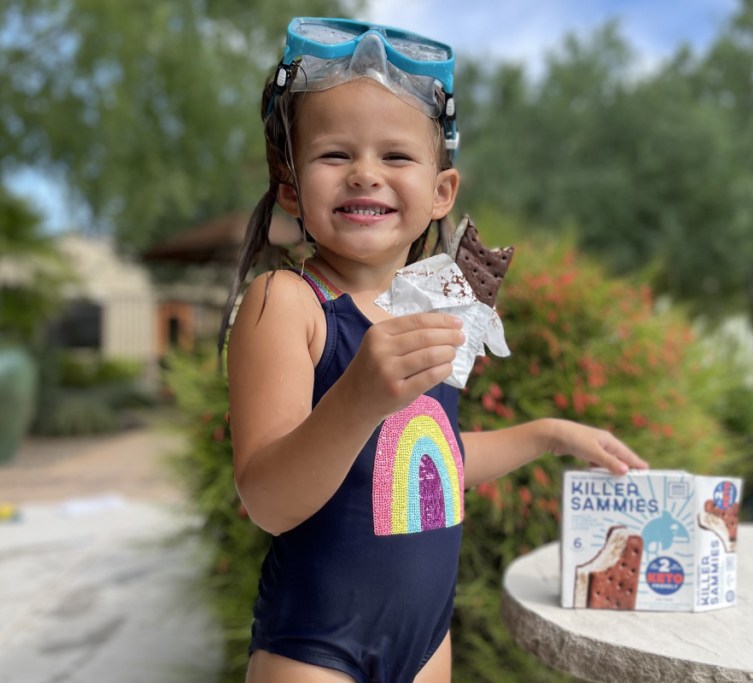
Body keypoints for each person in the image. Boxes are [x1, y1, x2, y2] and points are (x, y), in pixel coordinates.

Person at [221, 17, 647, 683]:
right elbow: (269, 501)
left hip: (425, 645)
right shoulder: (288, 304)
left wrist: (549, 433)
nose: (365, 173)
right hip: (314, 648)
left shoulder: (440, 306)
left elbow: (421, 462)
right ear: (289, 184)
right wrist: (358, 398)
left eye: (395, 156)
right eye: (335, 155)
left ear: (441, 191)